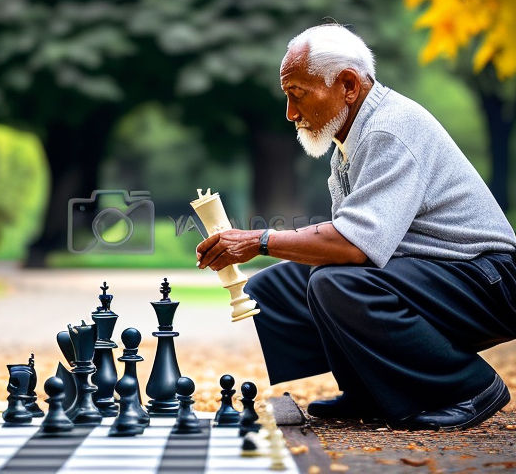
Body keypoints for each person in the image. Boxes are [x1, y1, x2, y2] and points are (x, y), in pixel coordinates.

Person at [195, 24, 516, 430]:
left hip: (487, 280)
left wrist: (259, 241)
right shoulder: (350, 140)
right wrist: (265, 245)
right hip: (437, 273)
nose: (291, 114)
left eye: (298, 95)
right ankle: (370, 389)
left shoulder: (389, 130)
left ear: (347, 85)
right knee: (274, 289)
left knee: (337, 284)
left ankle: (467, 387)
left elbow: (353, 246)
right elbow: (348, 244)